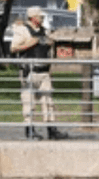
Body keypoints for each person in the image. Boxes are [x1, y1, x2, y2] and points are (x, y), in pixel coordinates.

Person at [10, 7, 65, 140]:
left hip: (44, 72)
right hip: (30, 72)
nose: (42, 19)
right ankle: (30, 131)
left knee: (48, 102)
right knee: (29, 102)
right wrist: (30, 43)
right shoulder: (22, 30)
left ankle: (52, 130)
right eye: (40, 17)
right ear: (33, 18)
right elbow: (13, 48)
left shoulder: (44, 31)